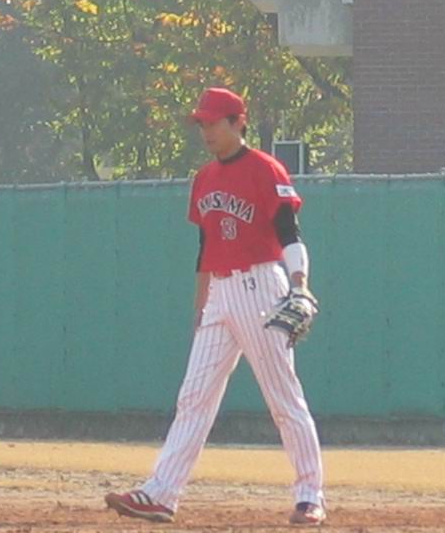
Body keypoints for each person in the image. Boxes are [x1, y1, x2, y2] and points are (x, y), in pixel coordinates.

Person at [104, 87, 326, 525]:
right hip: (220, 295)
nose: (205, 131)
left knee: (283, 398)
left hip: (260, 287)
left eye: (213, 122)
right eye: (201, 123)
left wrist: (299, 285)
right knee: (194, 398)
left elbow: (289, 233)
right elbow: (205, 249)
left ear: (237, 122)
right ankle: (161, 493)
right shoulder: (204, 178)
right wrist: (201, 307)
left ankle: (310, 496)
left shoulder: (265, 168)